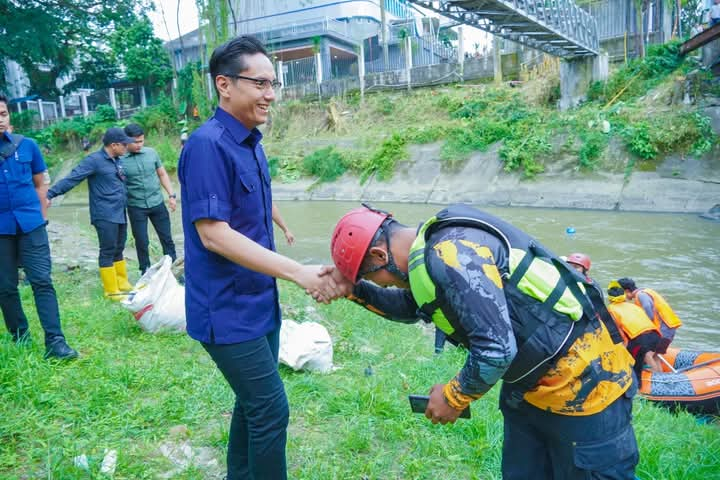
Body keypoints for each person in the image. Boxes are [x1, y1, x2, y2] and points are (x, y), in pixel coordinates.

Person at [326, 203, 638, 480]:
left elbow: (496, 351)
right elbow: (412, 307)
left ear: (381, 256)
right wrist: (354, 290)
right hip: (528, 391)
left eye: (372, 278)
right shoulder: (428, 254)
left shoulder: (452, 252)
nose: (381, 283)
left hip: (588, 388)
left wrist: (452, 397)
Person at [178, 35, 337, 480]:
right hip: (226, 309)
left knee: (252, 407)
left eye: (274, 84)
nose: (271, 94)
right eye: (260, 83)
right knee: (270, 409)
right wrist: (298, 272)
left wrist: (285, 233)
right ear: (224, 85)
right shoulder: (207, 144)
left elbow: (255, 207)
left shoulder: (250, 142)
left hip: (258, 302)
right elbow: (214, 235)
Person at [0, 94, 78, 360]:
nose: (0, 120)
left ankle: (55, 342)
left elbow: (40, 183)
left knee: (42, 281)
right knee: (5, 286)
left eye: (2, 114)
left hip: (31, 225)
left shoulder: (27, 146)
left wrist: (41, 215)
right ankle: (19, 336)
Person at [47, 127, 134, 300]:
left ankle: (122, 283)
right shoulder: (94, 161)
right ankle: (111, 290)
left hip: (119, 212)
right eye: (125, 145)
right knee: (108, 249)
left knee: (119, 247)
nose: (127, 147)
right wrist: (50, 194)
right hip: (104, 213)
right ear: (114, 145)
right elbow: (73, 178)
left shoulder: (117, 160)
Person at [122, 123, 177, 275]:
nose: (139, 145)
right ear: (126, 141)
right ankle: (144, 272)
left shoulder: (151, 153)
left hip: (157, 203)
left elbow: (162, 174)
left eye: (141, 141)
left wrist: (171, 195)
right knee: (141, 241)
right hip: (136, 206)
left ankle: (174, 270)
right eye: (135, 142)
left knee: (167, 238)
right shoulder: (119, 160)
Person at [606, 281, 662, 376]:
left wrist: (624, 346)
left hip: (641, 339)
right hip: (656, 334)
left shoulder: (611, 310)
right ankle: (663, 377)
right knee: (655, 357)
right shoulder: (632, 306)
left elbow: (618, 331)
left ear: (610, 298)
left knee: (646, 356)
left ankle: (656, 381)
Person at [617, 277, 682, 354]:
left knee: (647, 356)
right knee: (656, 357)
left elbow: (647, 307)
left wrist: (646, 324)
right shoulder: (647, 291)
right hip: (670, 329)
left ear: (626, 291)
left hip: (662, 330)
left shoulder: (641, 295)